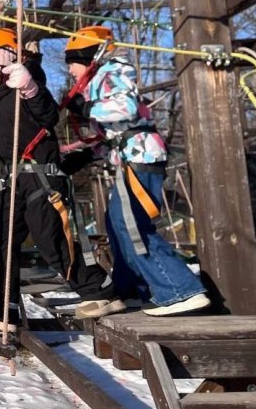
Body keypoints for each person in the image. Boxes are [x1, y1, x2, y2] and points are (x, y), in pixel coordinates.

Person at [0, 28, 120, 332]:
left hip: (39, 179)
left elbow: (47, 116)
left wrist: (31, 89)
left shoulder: (28, 80)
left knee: (52, 241)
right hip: (13, 180)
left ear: (2, 63)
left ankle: (100, 290)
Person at [62, 25, 210, 317]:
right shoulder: (99, 79)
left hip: (141, 156)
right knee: (117, 224)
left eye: (72, 64)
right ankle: (133, 288)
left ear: (89, 56)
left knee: (132, 225)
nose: (70, 72)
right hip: (130, 157)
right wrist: (83, 153)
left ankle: (180, 289)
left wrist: (87, 107)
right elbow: (117, 131)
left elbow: (126, 108)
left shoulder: (112, 70)